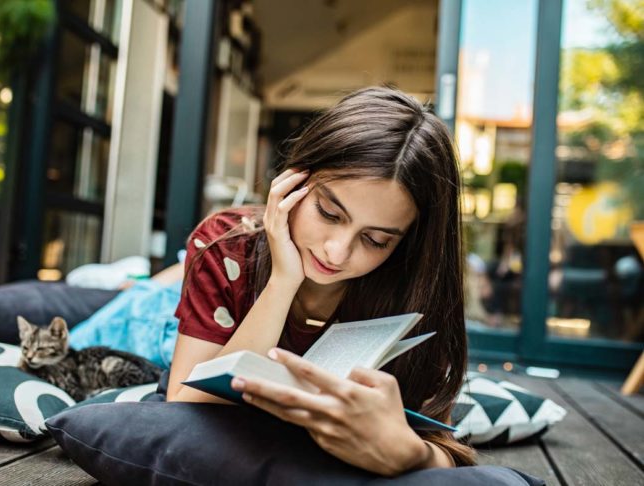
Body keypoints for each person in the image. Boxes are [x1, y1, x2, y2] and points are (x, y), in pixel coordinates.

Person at [166, 86, 475, 476]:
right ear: (293, 183)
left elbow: (443, 447)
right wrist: (282, 282)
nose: (337, 252)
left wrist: (413, 454)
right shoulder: (226, 245)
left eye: (375, 240)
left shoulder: (416, 284)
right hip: (199, 313)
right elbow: (181, 408)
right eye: (329, 213)